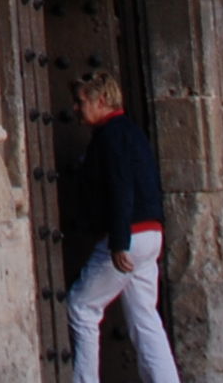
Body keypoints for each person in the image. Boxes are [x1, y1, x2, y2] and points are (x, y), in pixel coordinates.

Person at [62, 70, 181, 383]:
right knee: (145, 317)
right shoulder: (131, 132)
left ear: (101, 100)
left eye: (81, 101)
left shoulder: (111, 136)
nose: (76, 108)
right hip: (150, 234)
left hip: (130, 235)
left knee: (82, 306)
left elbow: (120, 187)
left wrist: (118, 241)